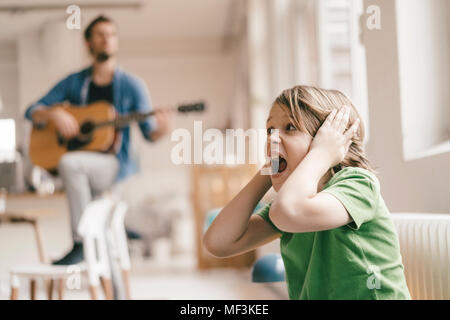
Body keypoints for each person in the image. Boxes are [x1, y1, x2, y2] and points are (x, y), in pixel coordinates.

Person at [203, 85, 411, 299]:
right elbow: (218, 242)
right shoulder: (288, 209)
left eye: (290, 127)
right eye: (269, 130)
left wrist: (321, 153)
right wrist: (269, 169)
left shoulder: (357, 183)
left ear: (330, 141)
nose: (272, 139)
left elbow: (289, 211)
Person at [24, 15, 172, 265]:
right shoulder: (75, 81)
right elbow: (31, 110)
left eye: (112, 34)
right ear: (88, 43)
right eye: (100, 34)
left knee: (71, 164)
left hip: (113, 166)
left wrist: (163, 128)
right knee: (104, 241)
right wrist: (55, 113)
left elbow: (150, 133)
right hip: (84, 171)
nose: (107, 39)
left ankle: (81, 242)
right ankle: (95, 255)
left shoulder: (132, 85)